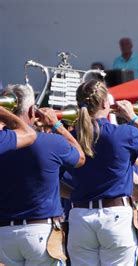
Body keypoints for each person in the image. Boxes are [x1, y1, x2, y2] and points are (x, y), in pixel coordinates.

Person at [66, 80, 138, 265]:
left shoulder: (70, 137)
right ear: (105, 103)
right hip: (115, 216)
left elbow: (58, 182)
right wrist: (133, 117)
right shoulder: (123, 132)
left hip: (80, 215)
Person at [0, 84, 85, 265]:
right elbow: (80, 158)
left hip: (4, 233)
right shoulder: (51, 142)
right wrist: (57, 125)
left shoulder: (3, 142)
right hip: (40, 232)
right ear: (32, 110)